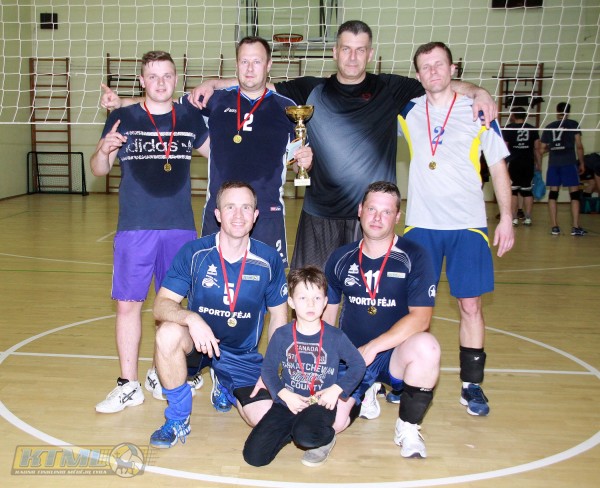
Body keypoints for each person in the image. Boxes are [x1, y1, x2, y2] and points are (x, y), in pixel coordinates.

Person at [190, 20, 498, 270]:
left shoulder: (390, 89)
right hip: (320, 212)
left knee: (367, 299)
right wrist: (213, 83)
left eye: (360, 50)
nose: (352, 57)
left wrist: (478, 92)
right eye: (346, 49)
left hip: (370, 216)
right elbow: (257, 84)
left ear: (370, 53)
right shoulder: (311, 90)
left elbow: (437, 87)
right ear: (335, 52)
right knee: (311, 295)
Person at [100, 37, 313, 268]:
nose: (250, 69)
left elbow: (296, 163)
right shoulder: (214, 100)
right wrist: (122, 102)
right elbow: (164, 103)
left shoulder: (287, 108)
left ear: (269, 64)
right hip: (218, 213)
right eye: (244, 62)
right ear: (236, 64)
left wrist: (305, 162)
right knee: (211, 282)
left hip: (266, 213)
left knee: (266, 282)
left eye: (257, 62)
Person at [397, 42, 514, 417]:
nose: (433, 71)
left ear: (452, 69)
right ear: (418, 75)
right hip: (421, 225)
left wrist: (507, 217)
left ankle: (471, 384)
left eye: (439, 64)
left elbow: (498, 168)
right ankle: (405, 378)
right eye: (425, 67)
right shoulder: (407, 111)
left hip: (467, 224)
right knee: (415, 309)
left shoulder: (479, 110)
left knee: (470, 305)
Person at [90, 51, 210, 414]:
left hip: (180, 228)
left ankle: (162, 372)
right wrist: (103, 150)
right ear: (142, 81)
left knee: (170, 307)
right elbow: (99, 169)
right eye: (153, 76)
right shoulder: (123, 117)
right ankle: (128, 385)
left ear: (176, 79)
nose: (160, 83)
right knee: (128, 306)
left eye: (167, 76)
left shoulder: (189, 117)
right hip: (135, 228)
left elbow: (221, 156)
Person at [148, 181, 288, 448]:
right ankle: (178, 417)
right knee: (167, 333)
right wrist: (191, 318)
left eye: (246, 208)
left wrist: (272, 369)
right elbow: (161, 305)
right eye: (230, 207)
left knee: (264, 418)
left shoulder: (269, 259)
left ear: (256, 215)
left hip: (241, 355)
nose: (238, 215)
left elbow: (279, 320)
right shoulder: (194, 253)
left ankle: (225, 382)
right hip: (198, 344)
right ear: (218, 214)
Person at [323, 181, 440, 460]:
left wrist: (373, 347)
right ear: (360, 210)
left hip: (393, 355)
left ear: (397, 216)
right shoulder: (341, 258)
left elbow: (421, 318)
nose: (377, 218)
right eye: (372, 209)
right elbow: (326, 317)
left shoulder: (414, 256)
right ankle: (366, 391)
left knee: (428, 347)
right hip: (352, 357)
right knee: (331, 424)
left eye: (386, 212)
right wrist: (323, 363)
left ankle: (408, 427)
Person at [243, 266, 366, 467]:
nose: (310, 304)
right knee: (254, 457)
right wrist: (284, 394)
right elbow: (268, 369)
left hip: (321, 402)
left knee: (305, 437)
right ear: (291, 302)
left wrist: (336, 390)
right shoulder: (282, 335)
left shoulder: (335, 337)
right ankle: (291, 429)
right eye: (302, 298)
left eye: (317, 298)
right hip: (288, 401)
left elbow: (358, 365)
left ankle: (325, 437)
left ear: (325, 302)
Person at [540, 102, 587, 236]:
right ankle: (575, 227)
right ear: (568, 112)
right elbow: (579, 146)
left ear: (557, 111)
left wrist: (553, 147)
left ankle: (554, 227)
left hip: (554, 164)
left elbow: (541, 149)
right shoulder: (573, 124)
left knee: (553, 194)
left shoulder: (549, 127)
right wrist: (582, 163)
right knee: (574, 195)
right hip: (569, 163)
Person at [503, 107, 542, 226]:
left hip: (514, 162)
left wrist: (503, 164)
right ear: (525, 116)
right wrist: (539, 164)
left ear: (513, 116)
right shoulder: (532, 129)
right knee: (527, 190)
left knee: (513, 191)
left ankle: (514, 218)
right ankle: (528, 218)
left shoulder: (509, 128)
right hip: (528, 162)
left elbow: (504, 147)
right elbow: (537, 148)